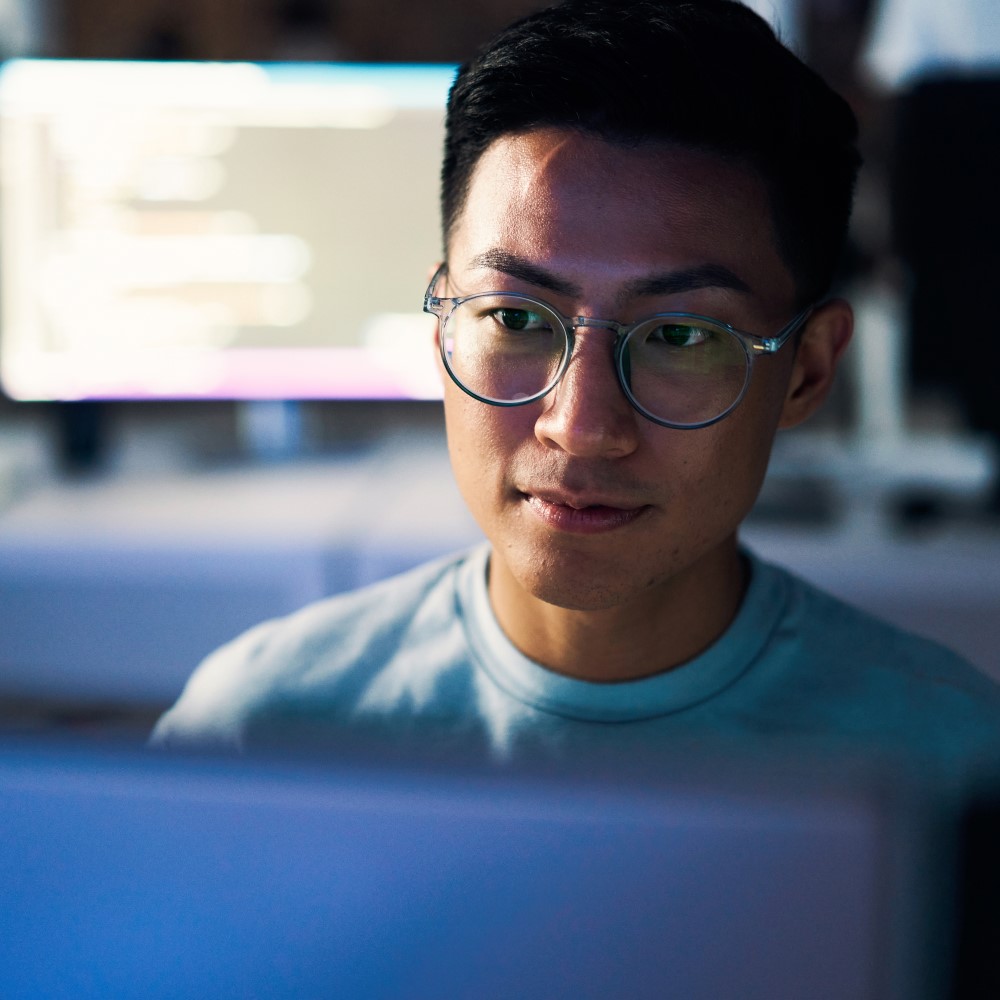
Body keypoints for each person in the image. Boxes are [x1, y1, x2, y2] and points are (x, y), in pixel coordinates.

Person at [152, 0, 1000, 764]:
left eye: (678, 335)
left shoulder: (950, 766)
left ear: (807, 371)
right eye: (516, 319)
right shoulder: (261, 733)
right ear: (442, 317)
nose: (581, 424)